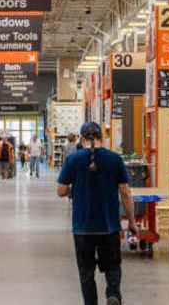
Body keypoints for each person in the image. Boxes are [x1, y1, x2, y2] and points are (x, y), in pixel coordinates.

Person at [57, 122, 137, 305]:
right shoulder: (115, 159)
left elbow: (61, 191)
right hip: (109, 226)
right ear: (102, 137)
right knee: (112, 267)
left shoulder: (73, 159)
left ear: (82, 138)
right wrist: (131, 222)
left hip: (82, 228)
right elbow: (125, 192)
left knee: (86, 273)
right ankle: (113, 294)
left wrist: (75, 190)